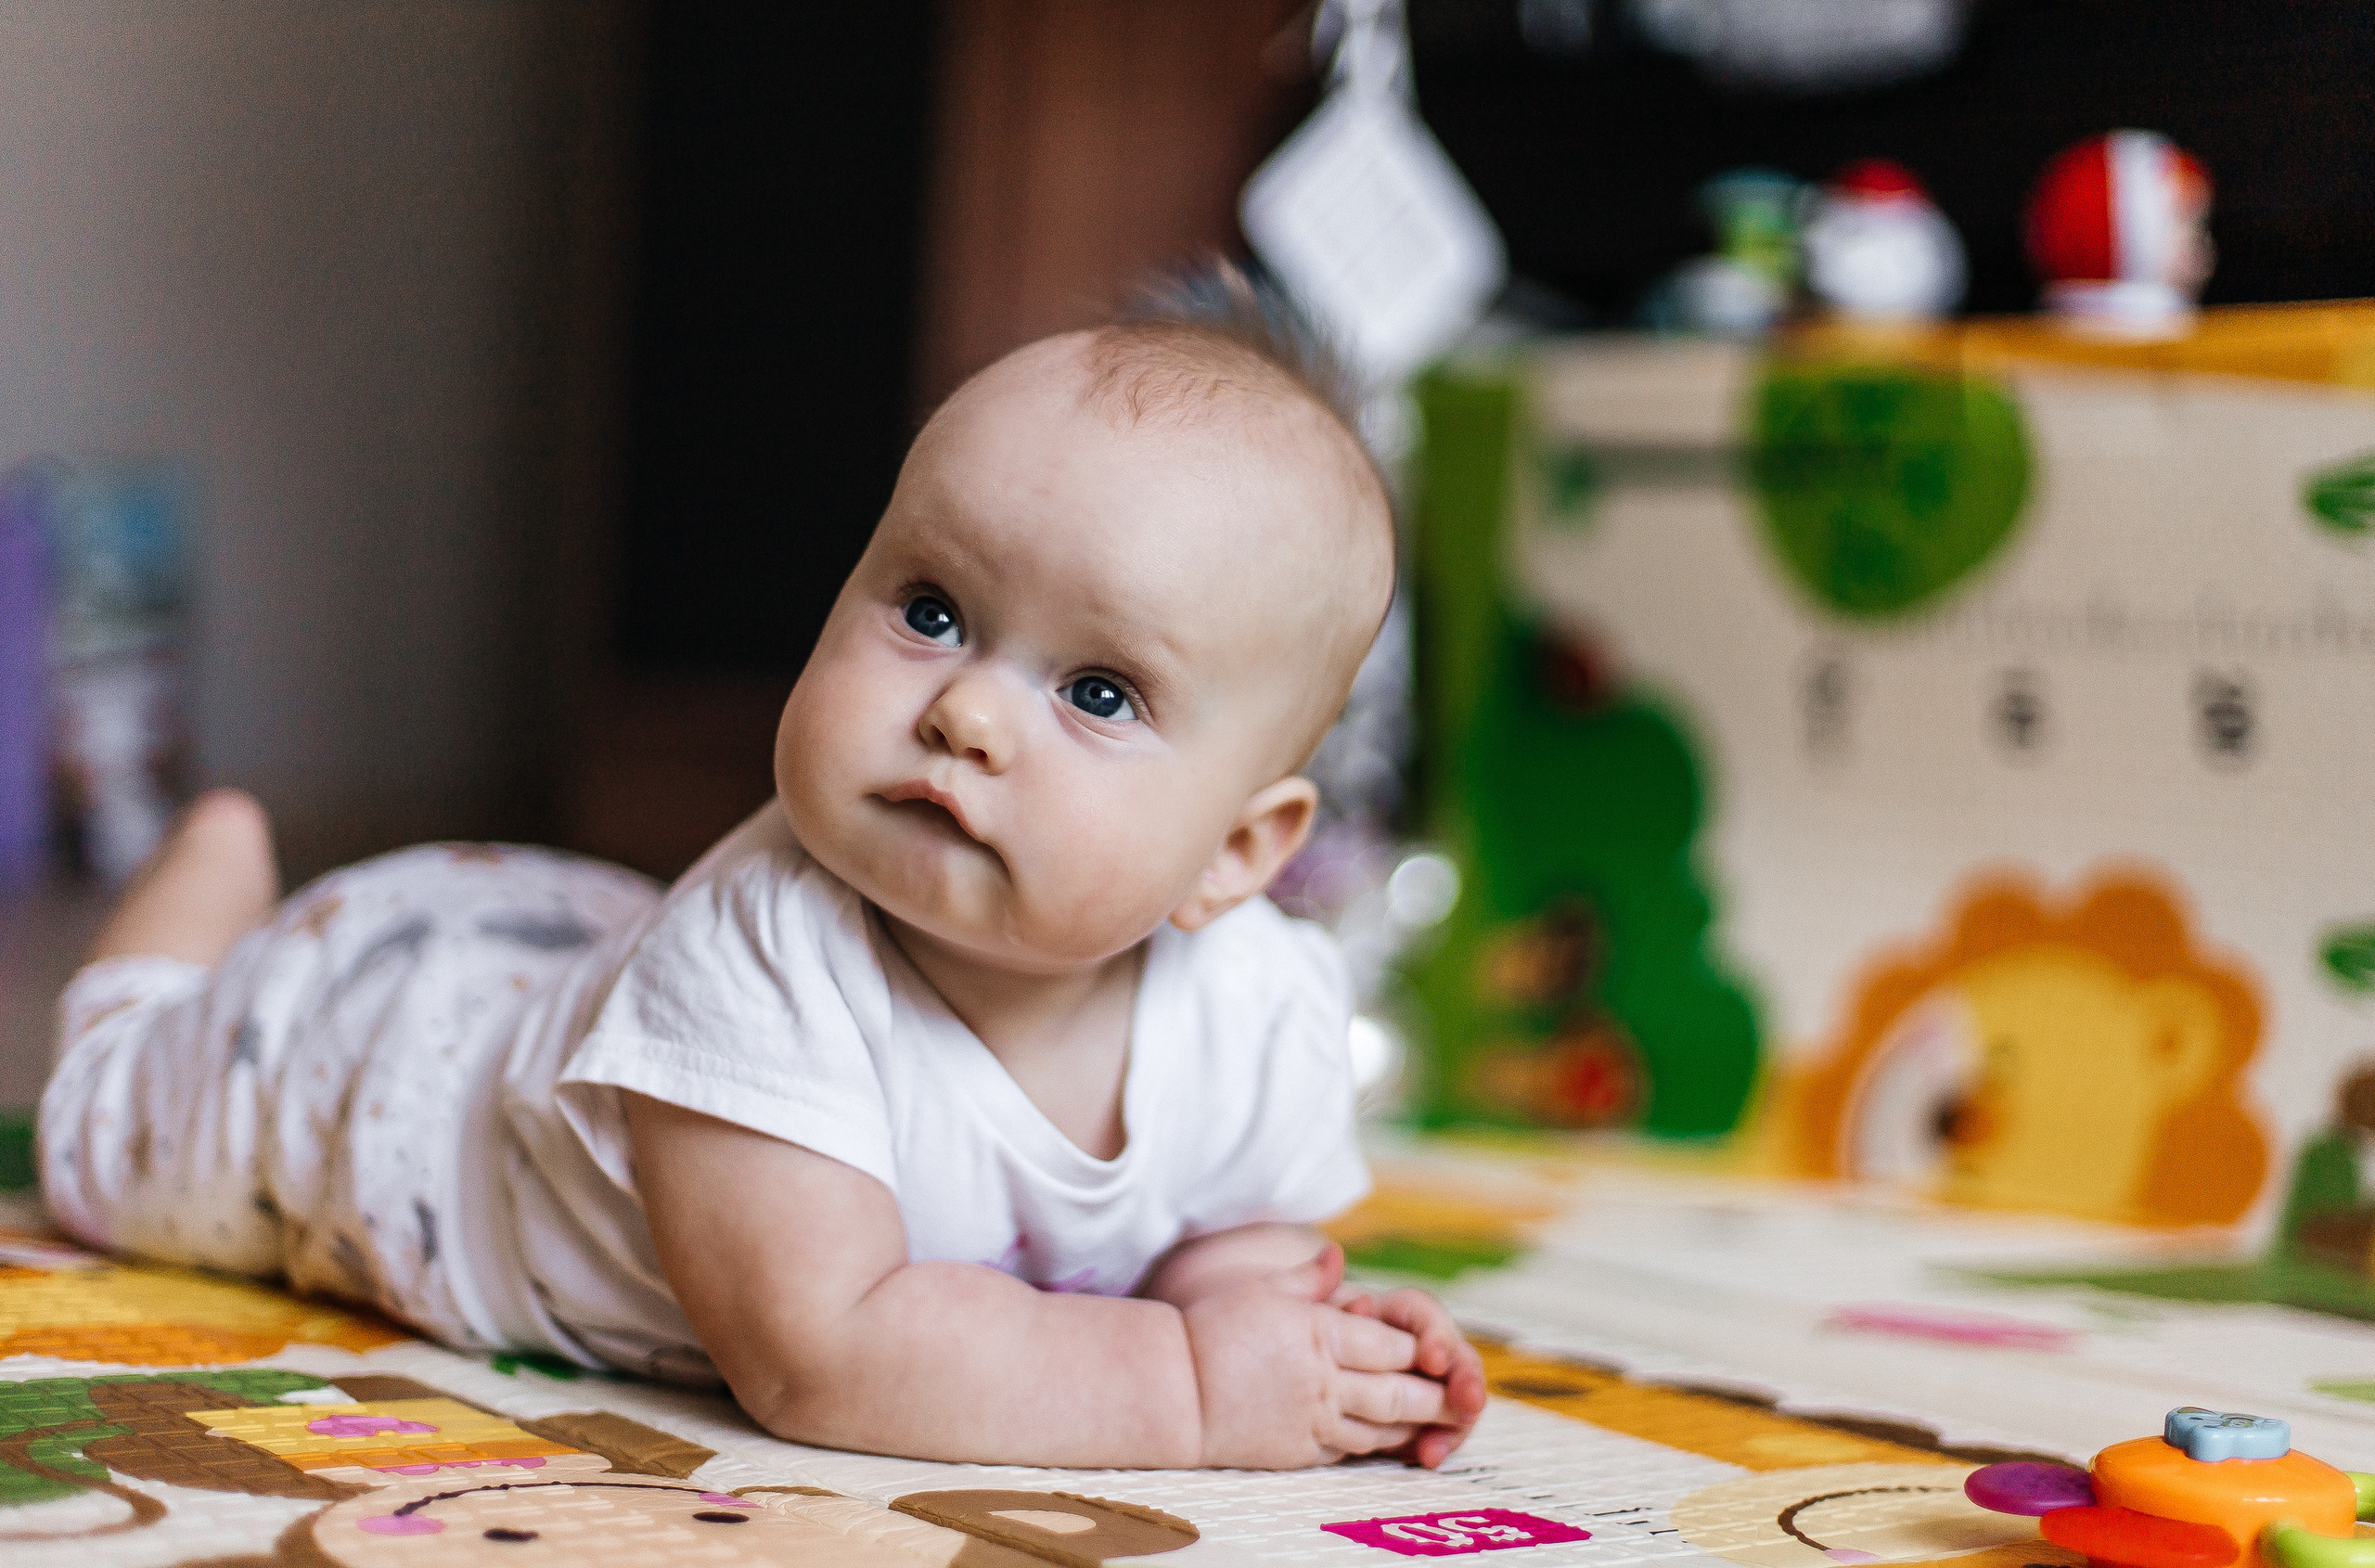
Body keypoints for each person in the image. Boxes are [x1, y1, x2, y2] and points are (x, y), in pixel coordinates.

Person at [39, 266, 1486, 1472]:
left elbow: (1221, 1234)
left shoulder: (1260, 1006)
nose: (967, 710)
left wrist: (1290, 1339)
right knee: (116, 1137)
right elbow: (824, 1354)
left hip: (574, 954)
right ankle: (184, 918)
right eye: (931, 609)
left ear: (1237, 853)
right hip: (377, 1071)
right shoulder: (758, 960)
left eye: (1098, 694)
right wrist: (1193, 1387)